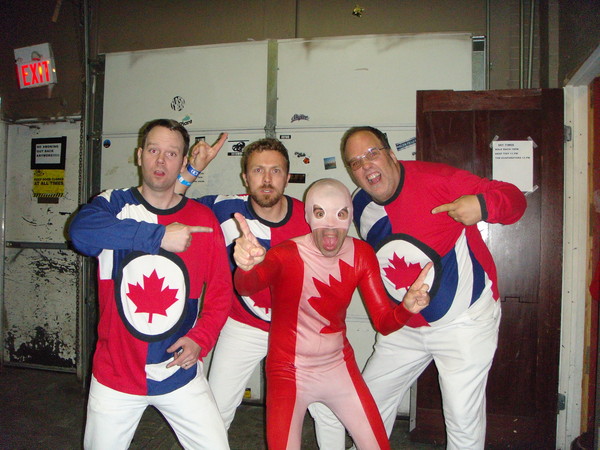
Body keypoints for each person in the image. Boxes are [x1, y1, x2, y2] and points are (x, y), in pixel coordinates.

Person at [323, 126, 527, 450]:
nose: (366, 165)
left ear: (391, 154)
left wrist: (482, 206)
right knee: (366, 406)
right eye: (355, 162)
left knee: (462, 419)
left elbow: (515, 200)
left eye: (372, 153)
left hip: (464, 321)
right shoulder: (359, 205)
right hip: (404, 324)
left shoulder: (438, 181)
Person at [232, 178, 432, 450]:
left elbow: (384, 324)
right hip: (288, 372)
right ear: (307, 217)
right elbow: (246, 287)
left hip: (338, 367)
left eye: (340, 214)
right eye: (319, 213)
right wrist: (246, 266)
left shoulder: (361, 254)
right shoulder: (287, 254)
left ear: (350, 216)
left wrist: (406, 309)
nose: (330, 226)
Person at [69, 119, 233, 449]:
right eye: (154, 150)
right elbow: (79, 233)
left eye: (171, 153)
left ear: (184, 163)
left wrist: (201, 338)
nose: (161, 161)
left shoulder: (202, 220)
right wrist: (158, 235)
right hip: (116, 375)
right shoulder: (113, 205)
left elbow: (220, 292)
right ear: (139, 155)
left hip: (178, 372)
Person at [178, 137, 342, 447]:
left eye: (275, 171)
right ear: (245, 177)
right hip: (243, 327)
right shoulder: (225, 208)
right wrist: (192, 169)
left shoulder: (310, 216)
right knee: (215, 410)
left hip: (300, 328)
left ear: (287, 176)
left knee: (328, 410)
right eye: (257, 170)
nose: (266, 180)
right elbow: (170, 201)